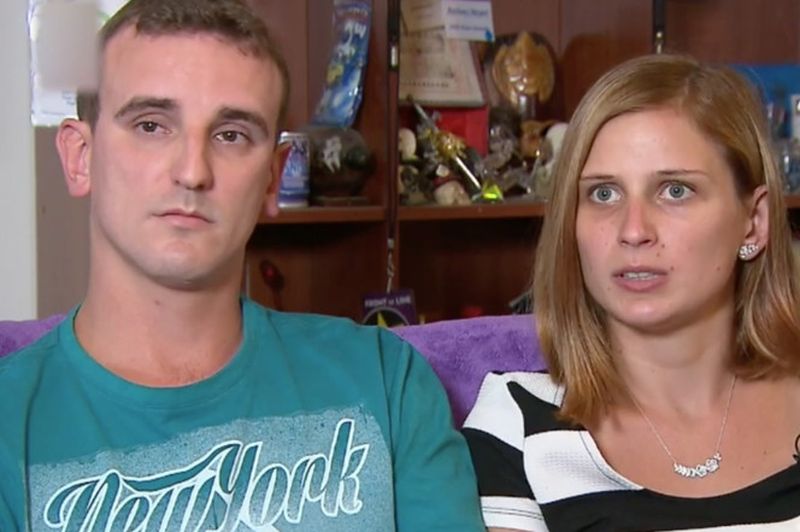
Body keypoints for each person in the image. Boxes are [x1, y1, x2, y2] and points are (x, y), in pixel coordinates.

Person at [0, 1, 485, 530]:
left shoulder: (386, 382)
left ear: (274, 178)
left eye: (230, 135)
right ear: (79, 157)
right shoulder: (10, 421)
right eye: (151, 125)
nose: (192, 171)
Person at [462, 53, 800, 531]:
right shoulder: (517, 423)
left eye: (675, 190)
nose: (634, 230)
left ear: (754, 222)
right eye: (603, 194)